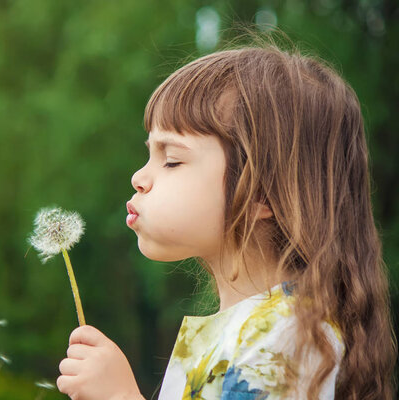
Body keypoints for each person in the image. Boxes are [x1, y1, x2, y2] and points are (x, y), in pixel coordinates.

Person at [55, 35, 397, 400]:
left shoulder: (284, 341)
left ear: (262, 192)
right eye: (150, 154)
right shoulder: (259, 329)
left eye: (171, 159)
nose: (139, 178)